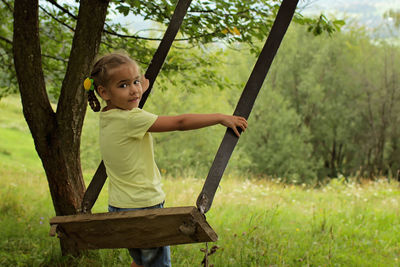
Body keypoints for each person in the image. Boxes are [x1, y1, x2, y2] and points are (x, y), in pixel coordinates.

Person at [84, 52, 248, 267]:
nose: (134, 90)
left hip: (120, 207)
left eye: (136, 82)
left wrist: (136, 85)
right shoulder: (132, 119)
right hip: (144, 209)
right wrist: (220, 118)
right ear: (104, 92)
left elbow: (131, 98)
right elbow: (179, 122)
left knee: (142, 261)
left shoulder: (108, 115)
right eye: (123, 85)